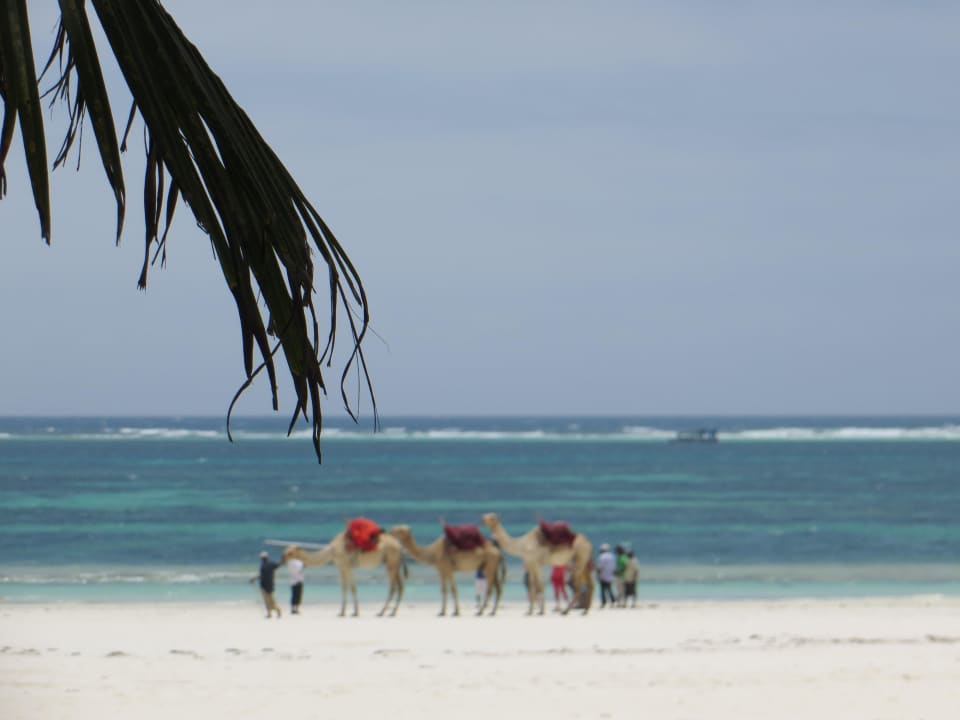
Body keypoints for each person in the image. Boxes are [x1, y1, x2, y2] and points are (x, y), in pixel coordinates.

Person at [251, 550, 281, 618]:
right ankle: (272, 613)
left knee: (269, 601)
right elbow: (278, 565)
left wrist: (254, 579)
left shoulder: (263, 566)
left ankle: (275, 612)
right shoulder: (271, 564)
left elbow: (262, 576)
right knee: (270, 600)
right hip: (270, 585)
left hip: (265, 585)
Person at [595, 543, 617, 608]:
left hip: (603, 576)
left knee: (603, 590)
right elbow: (614, 566)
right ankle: (613, 601)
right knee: (609, 589)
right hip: (610, 575)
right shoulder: (612, 556)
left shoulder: (602, 556)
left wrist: (598, 575)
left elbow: (599, 567)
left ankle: (603, 603)